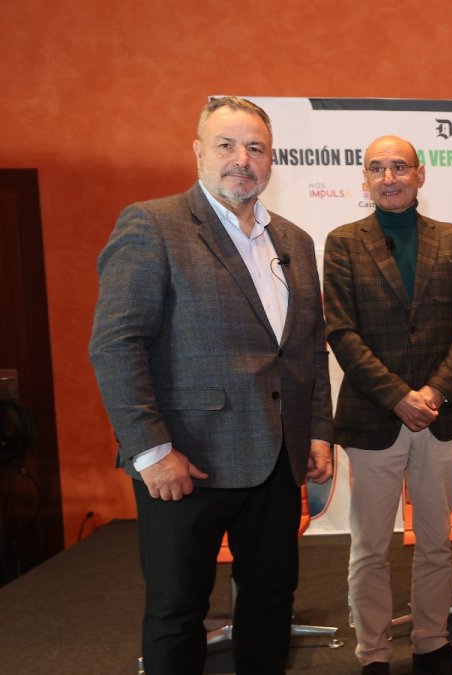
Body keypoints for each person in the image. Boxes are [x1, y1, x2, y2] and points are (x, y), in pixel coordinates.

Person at [89, 96, 334, 674]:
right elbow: (116, 344)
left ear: (271, 159)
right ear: (199, 151)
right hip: (186, 463)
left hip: (277, 461)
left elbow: (307, 347)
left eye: (256, 148)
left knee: (270, 603)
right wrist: (152, 451)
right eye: (227, 145)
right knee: (178, 612)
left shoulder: (295, 240)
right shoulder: (153, 225)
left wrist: (318, 431)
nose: (242, 159)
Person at [323, 135, 452, 675]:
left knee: (436, 542)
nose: (388, 177)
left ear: (420, 174)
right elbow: (342, 333)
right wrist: (397, 397)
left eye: (399, 167)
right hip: (374, 418)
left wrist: (434, 392)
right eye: (377, 168)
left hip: (439, 417)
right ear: (365, 179)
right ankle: (372, 654)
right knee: (370, 547)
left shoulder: (451, 238)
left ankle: (431, 643)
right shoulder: (343, 243)